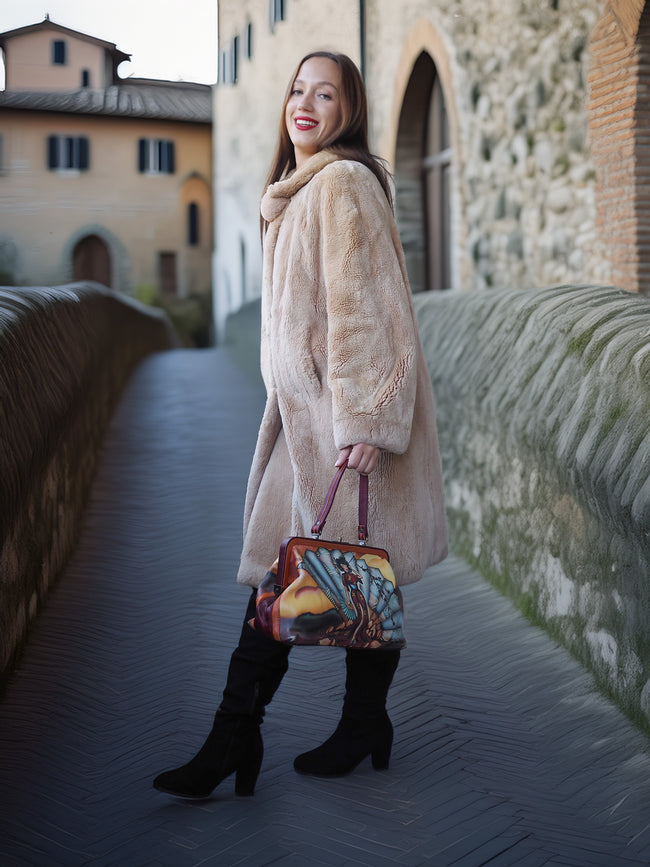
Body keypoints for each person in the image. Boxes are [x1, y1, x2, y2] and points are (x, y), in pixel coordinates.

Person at [153, 50, 447, 799]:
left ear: (349, 111)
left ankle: (258, 737)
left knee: (333, 576)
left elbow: (367, 311)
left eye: (326, 94)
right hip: (302, 421)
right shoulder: (297, 193)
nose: (305, 105)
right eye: (297, 90)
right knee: (327, 575)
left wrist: (368, 423)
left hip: (341, 428)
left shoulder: (342, 184)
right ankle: (301, 731)